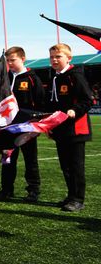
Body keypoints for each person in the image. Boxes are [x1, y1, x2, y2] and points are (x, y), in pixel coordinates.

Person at [46, 43, 93, 212]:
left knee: (75, 166)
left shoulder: (75, 76)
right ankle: (71, 195)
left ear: (68, 58)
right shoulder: (54, 77)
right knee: (65, 166)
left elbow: (88, 100)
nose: (54, 60)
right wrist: (50, 126)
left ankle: (78, 199)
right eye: (52, 57)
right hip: (60, 129)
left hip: (76, 130)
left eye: (58, 56)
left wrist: (75, 110)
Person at [0, 46, 45, 202]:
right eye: (8, 61)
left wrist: (35, 125)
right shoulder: (5, 78)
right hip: (7, 127)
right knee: (7, 158)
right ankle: (6, 189)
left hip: (26, 127)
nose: (10, 63)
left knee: (30, 159)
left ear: (23, 59)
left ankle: (33, 191)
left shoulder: (32, 78)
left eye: (13, 60)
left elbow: (40, 103)